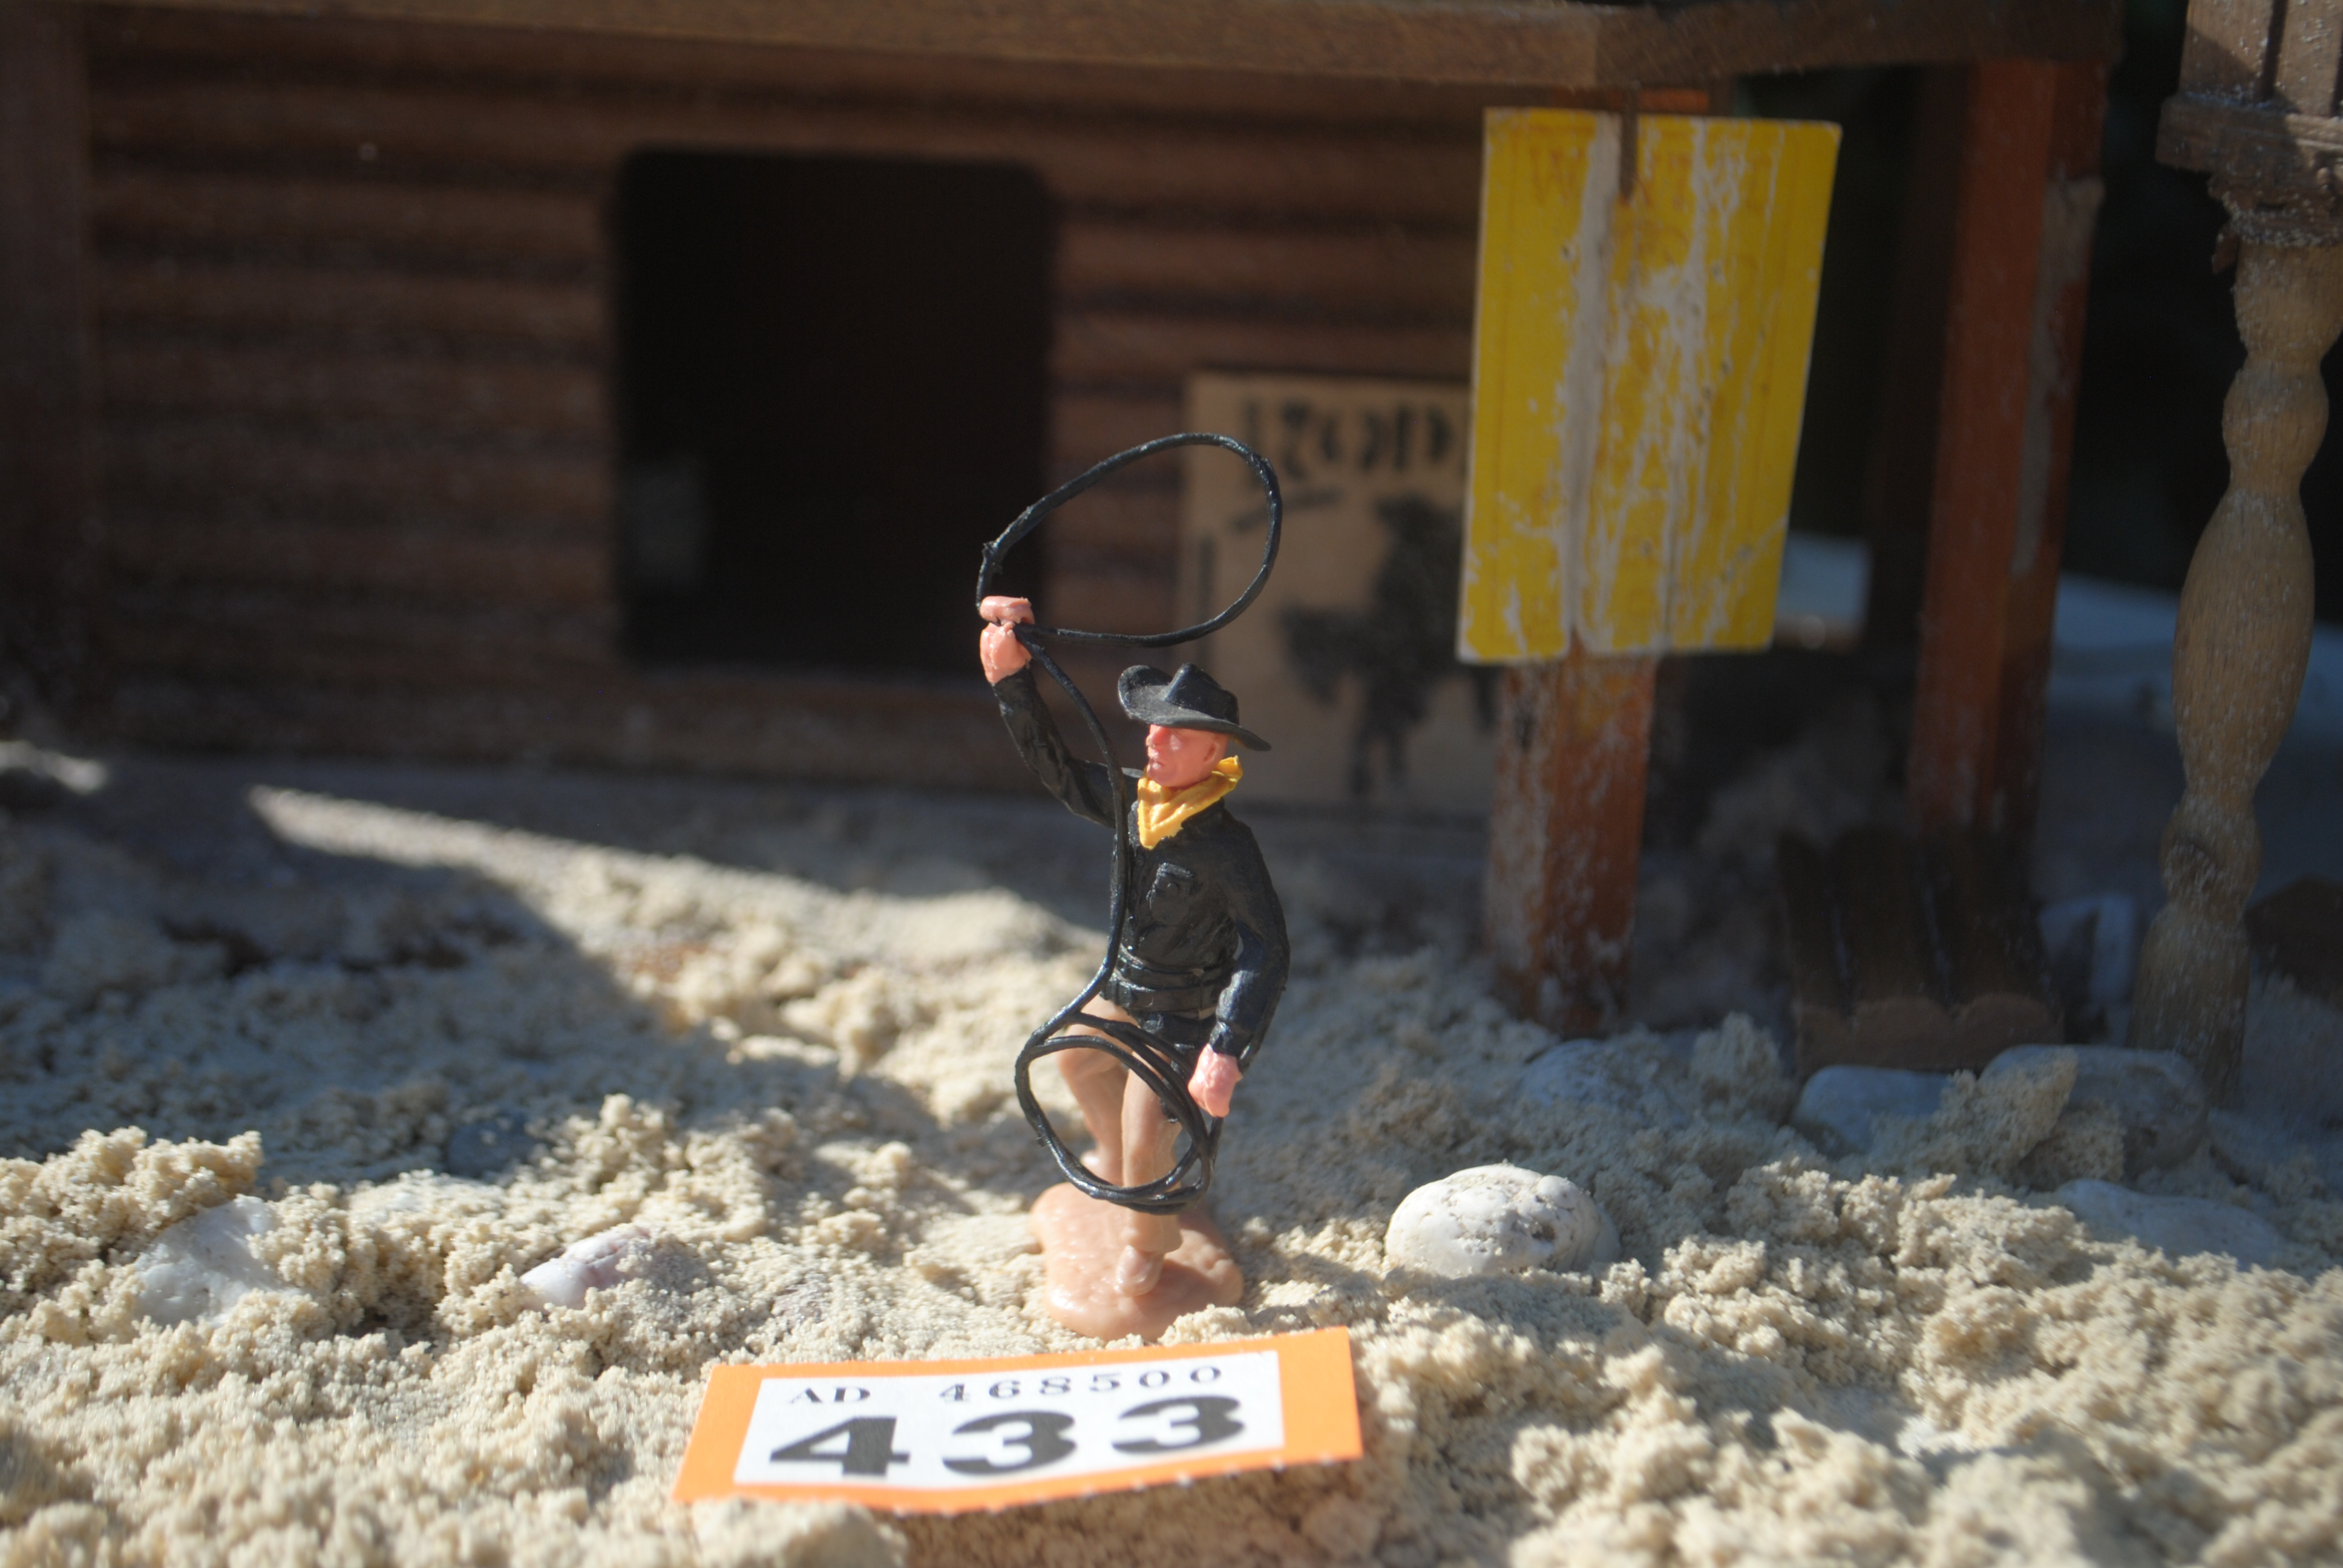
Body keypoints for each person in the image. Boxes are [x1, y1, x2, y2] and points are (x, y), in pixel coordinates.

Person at [979, 595, 1289, 1337]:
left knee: (1150, 1127)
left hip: (1180, 1013)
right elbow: (1057, 770)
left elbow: (1265, 948)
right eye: (1152, 727)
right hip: (1122, 988)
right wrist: (1011, 683)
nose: (1155, 742)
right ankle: (1118, 1169)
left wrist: (1226, 1046)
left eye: (1176, 736)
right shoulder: (1132, 802)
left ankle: (1148, 1242)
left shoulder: (1227, 848)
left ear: (1214, 754)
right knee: (1077, 1060)